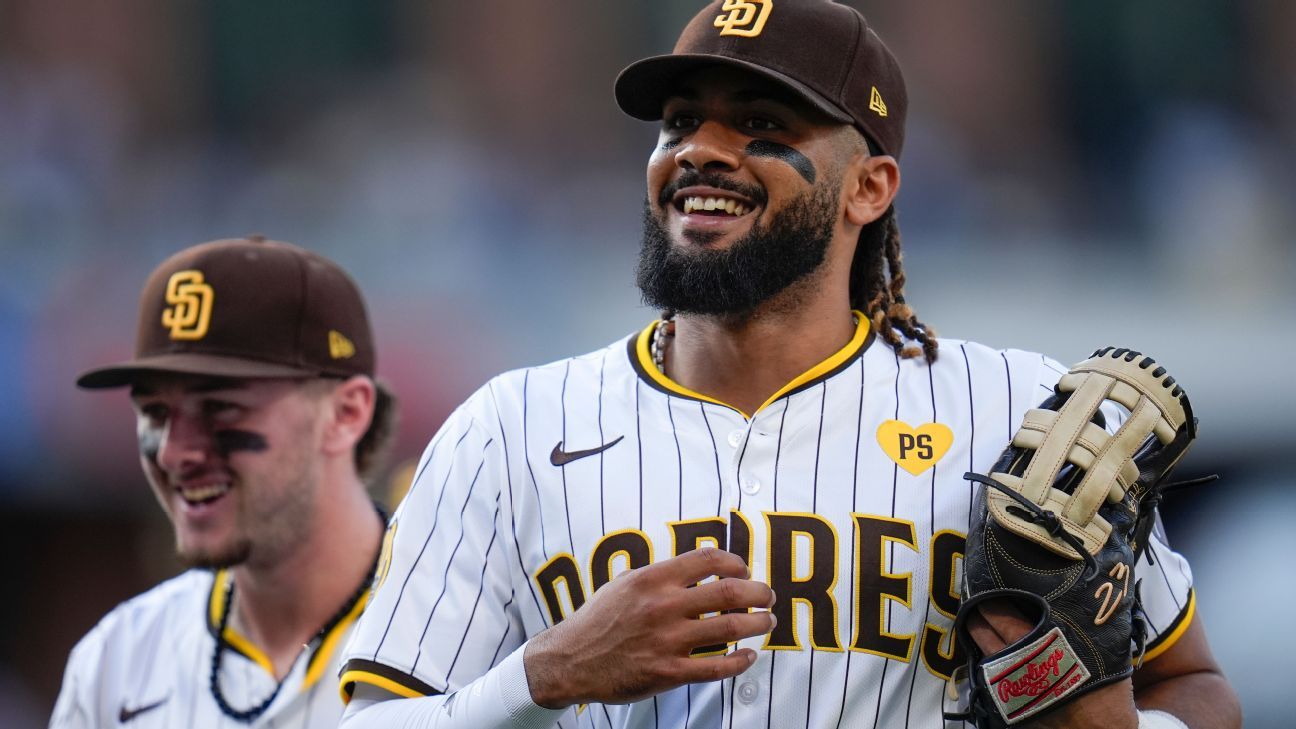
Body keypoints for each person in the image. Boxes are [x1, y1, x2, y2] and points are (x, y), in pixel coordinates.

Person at [338, 2, 1240, 728]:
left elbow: (1195, 689)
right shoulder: (510, 429)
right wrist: (547, 674)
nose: (700, 149)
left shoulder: (1012, 408)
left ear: (870, 186)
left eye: (762, 124)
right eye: (680, 122)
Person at [50, 237, 396, 728]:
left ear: (345, 413)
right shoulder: (117, 661)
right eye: (154, 413)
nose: (173, 452)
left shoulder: (466, 633)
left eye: (221, 407)